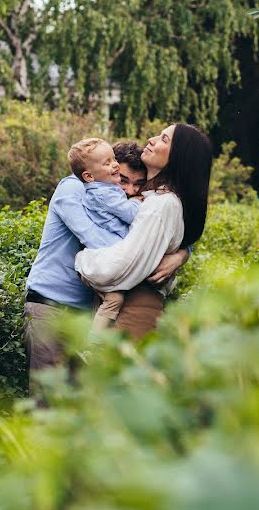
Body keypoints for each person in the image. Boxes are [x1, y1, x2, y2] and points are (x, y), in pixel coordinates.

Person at [23, 137, 189, 388]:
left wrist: (182, 253)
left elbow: (174, 227)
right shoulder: (73, 190)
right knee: (48, 403)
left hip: (88, 316)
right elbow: (94, 238)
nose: (130, 190)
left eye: (138, 185)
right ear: (102, 172)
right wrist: (141, 255)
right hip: (51, 307)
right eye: (123, 180)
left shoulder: (125, 203)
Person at [75, 123, 213, 338]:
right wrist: (183, 253)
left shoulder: (161, 204)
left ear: (178, 157)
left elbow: (119, 267)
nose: (151, 140)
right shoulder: (150, 199)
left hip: (135, 306)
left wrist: (82, 259)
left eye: (163, 139)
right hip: (116, 303)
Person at [67, 138, 140, 331]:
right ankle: (94, 344)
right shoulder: (106, 193)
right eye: (107, 163)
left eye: (113, 159)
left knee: (113, 301)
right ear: (89, 176)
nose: (114, 165)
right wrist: (141, 201)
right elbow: (131, 214)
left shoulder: (100, 189)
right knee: (114, 300)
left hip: (102, 258)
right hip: (105, 257)